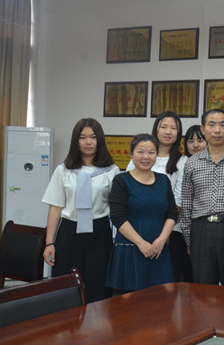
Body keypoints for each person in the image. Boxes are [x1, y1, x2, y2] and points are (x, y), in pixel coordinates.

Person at [42, 118, 119, 302]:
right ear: (76, 141)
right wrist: (49, 243)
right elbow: (56, 207)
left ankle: (97, 320)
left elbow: (117, 209)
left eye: (93, 137)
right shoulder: (63, 170)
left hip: (99, 233)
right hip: (69, 232)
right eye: (82, 137)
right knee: (66, 286)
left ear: (100, 140)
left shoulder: (111, 171)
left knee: (98, 285)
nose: (88, 142)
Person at [180, 109, 224, 286]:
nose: (217, 130)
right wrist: (190, 240)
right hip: (201, 231)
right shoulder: (192, 162)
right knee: (202, 289)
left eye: (222, 125)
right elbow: (187, 203)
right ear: (203, 129)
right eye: (211, 125)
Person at [106, 134, 177, 291]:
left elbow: (172, 213)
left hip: (158, 249)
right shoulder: (122, 180)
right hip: (130, 249)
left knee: (161, 299)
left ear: (156, 155)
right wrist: (140, 243)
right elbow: (117, 216)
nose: (146, 157)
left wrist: (161, 240)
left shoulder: (163, 180)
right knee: (129, 302)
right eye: (140, 152)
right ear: (132, 155)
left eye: (151, 152)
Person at [127, 111, 190, 282]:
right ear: (156, 129)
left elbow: (178, 200)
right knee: (138, 284)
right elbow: (129, 194)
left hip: (171, 233)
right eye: (163, 127)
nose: (168, 131)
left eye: (173, 128)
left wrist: (163, 235)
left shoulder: (183, 161)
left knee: (167, 285)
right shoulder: (139, 157)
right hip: (138, 231)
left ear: (179, 133)